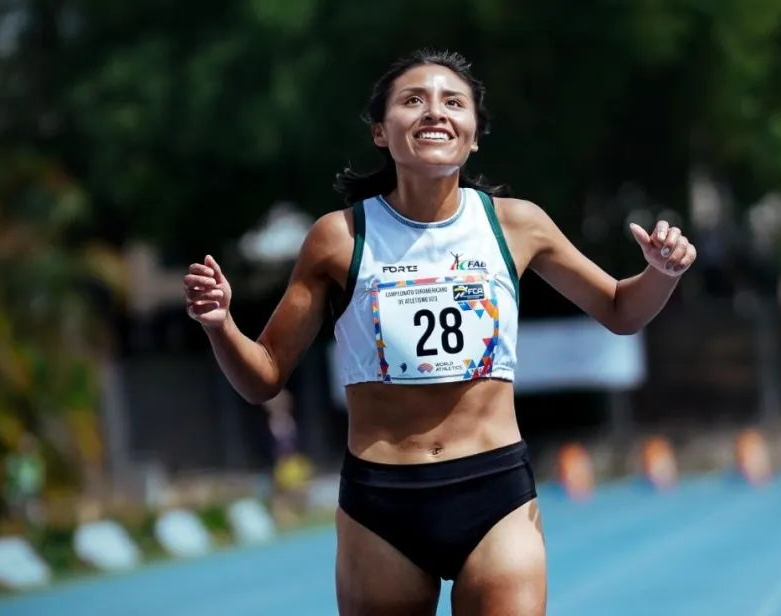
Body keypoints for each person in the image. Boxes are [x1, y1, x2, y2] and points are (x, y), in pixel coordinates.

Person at [184, 49, 697, 616]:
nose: (434, 113)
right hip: (381, 504)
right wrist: (221, 325)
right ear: (381, 132)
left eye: (453, 102)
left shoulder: (515, 224)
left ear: (474, 135)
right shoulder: (339, 238)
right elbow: (265, 378)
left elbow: (622, 310)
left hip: (494, 494)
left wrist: (661, 273)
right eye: (413, 101)